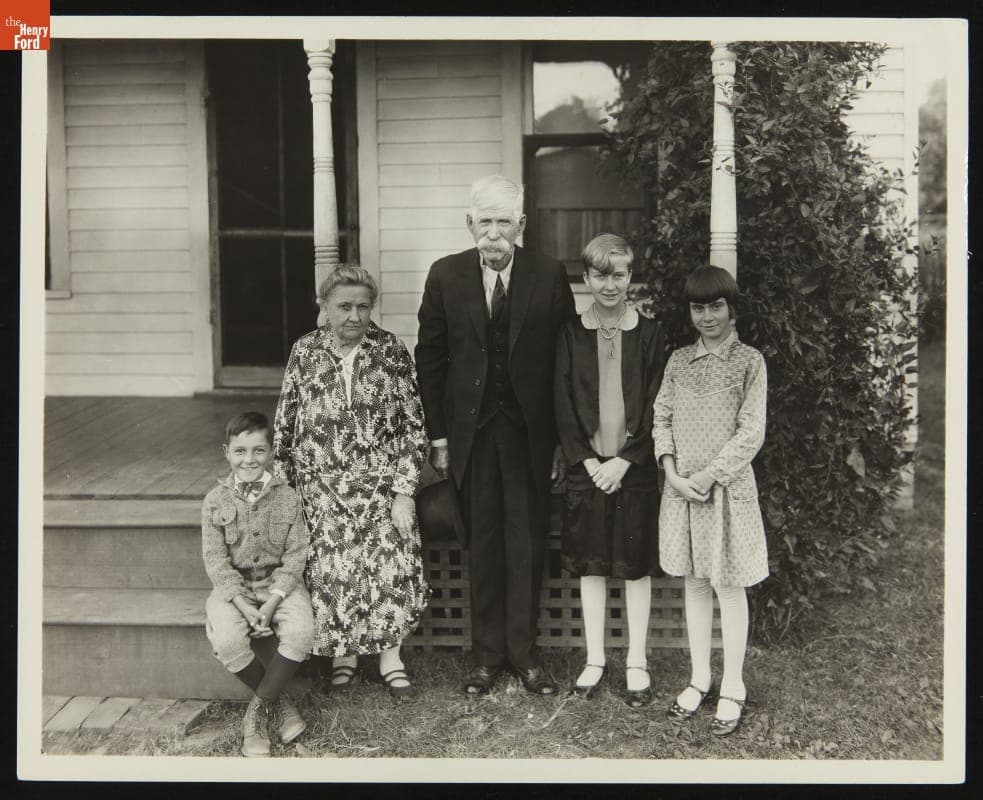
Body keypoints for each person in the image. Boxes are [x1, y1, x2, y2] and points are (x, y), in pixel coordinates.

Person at [415, 175, 576, 696]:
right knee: (481, 541)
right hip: (472, 436)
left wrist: (559, 442)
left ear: (521, 225)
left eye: (503, 222)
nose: (493, 234)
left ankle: (525, 657)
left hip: (529, 435)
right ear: (470, 225)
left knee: (525, 543)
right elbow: (431, 361)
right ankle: (486, 658)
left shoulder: (548, 274)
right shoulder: (445, 276)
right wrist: (438, 436)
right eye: (484, 222)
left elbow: (564, 361)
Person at [273, 264, 429, 699]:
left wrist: (402, 492)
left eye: (363, 306)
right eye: (344, 306)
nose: (355, 316)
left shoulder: (391, 351)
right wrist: (288, 496)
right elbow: (284, 429)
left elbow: (413, 427)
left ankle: (390, 659)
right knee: (331, 571)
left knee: (389, 568)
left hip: (379, 487)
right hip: (320, 489)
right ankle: (343, 658)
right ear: (324, 306)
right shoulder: (304, 352)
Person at [652, 264, 768, 736]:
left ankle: (734, 684)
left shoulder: (749, 362)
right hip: (682, 493)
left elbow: (751, 431)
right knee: (695, 583)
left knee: (728, 585)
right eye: (698, 308)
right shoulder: (679, 361)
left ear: (731, 308)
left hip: (725, 491)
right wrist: (673, 474)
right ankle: (700, 677)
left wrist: (709, 475)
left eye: (715, 306)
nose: (707, 316)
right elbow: (661, 417)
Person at [553, 234, 666, 708]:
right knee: (592, 563)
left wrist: (625, 459)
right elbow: (561, 403)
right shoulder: (569, 333)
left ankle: (636, 660)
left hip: (633, 467)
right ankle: (595, 658)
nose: (610, 284)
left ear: (630, 277)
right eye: (600, 274)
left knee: (634, 565)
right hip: (586, 468)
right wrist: (589, 460)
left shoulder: (651, 333)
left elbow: (660, 400)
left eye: (618, 274)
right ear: (586, 278)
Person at [202, 411, 317, 758]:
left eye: (258, 451)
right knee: (226, 638)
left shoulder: (288, 498)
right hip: (234, 588)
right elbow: (216, 561)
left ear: (270, 453)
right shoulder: (214, 501)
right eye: (240, 451)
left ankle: (256, 712)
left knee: (300, 631)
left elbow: (297, 554)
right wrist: (241, 603)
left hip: (279, 585)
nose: (249, 460)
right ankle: (280, 705)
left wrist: (272, 601)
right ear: (227, 452)